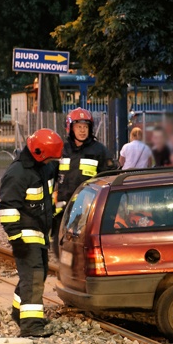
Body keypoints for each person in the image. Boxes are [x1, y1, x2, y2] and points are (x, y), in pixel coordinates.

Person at [0, 129, 63, 338]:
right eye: (50, 158)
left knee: (35, 275)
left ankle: (20, 313)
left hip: (39, 232)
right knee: (33, 278)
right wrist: (16, 239)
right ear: (40, 154)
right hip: (26, 235)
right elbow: (8, 209)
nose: (52, 162)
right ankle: (31, 326)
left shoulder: (43, 167)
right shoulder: (18, 174)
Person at [53, 108, 113, 253]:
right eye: (78, 127)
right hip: (63, 207)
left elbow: (109, 177)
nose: (82, 131)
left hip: (88, 207)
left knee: (83, 244)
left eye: (85, 127)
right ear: (70, 128)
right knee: (59, 243)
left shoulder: (99, 151)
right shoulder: (62, 150)